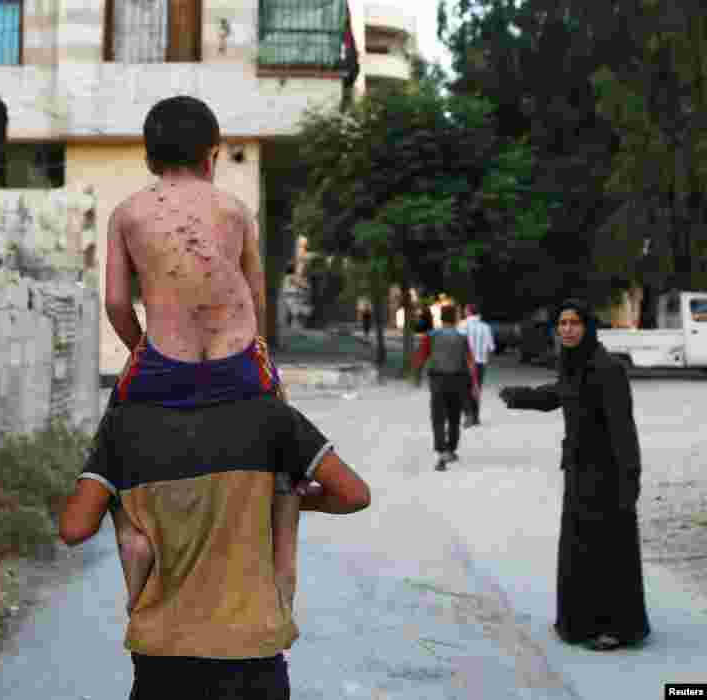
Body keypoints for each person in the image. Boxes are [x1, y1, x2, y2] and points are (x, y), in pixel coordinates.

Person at [100, 95, 299, 615]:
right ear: (212, 156)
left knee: (111, 445)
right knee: (285, 462)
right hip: (236, 367)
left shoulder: (125, 214)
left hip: (163, 365)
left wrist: (140, 352)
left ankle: (131, 534)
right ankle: (282, 570)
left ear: (148, 157)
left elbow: (117, 303)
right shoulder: (236, 211)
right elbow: (256, 303)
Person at [59, 393, 371, 699]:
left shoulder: (124, 424)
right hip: (253, 654)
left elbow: (75, 528)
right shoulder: (272, 416)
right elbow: (353, 495)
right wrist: (274, 501)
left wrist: (120, 510)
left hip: (163, 656)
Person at [499, 299, 650, 652]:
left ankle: (616, 629)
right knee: (579, 548)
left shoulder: (607, 368)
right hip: (579, 472)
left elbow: (623, 429)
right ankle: (580, 623)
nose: (567, 329)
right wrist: (520, 397)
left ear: (588, 327)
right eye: (562, 323)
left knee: (609, 551)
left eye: (574, 323)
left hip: (608, 474)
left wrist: (630, 478)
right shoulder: (573, 365)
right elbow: (559, 395)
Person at [412, 305, 479, 471]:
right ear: (455, 318)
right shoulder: (461, 337)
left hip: (437, 381)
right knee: (454, 416)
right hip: (457, 380)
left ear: (440, 318)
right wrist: (475, 384)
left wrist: (417, 376)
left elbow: (421, 357)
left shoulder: (431, 336)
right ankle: (450, 449)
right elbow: (470, 362)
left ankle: (441, 452)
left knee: (438, 417)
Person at [461, 304, 495, 427]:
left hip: (465, 362)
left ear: (469, 312)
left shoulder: (463, 325)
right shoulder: (485, 327)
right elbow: (491, 347)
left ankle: (468, 415)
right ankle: (476, 417)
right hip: (481, 362)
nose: (464, 311)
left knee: (465, 389)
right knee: (476, 389)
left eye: (465, 310)